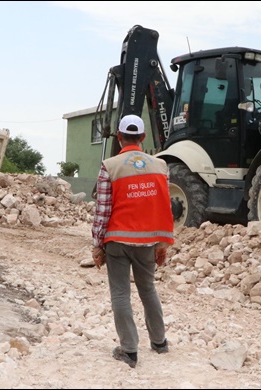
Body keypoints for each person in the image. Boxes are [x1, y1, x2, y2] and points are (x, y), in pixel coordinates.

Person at [91, 114, 174, 369]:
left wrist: (97, 244)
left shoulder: (110, 165)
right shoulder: (160, 166)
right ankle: (159, 342)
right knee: (147, 289)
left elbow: (103, 209)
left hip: (118, 241)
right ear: (143, 137)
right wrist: (162, 244)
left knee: (120, 293)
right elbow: (163, 206)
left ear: (118, 136)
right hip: (148, 241)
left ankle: (129, 350)